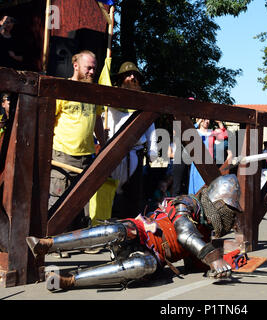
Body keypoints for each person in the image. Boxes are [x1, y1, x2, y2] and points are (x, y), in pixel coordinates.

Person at [26, 174, 242, 291]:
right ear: (217, 203)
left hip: (154, 256)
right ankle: (48, 244)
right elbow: (185, 233)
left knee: (143, 266)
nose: (230, 216)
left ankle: (69, 280)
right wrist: (213, 258)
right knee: (115, 229)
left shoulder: (205, 234)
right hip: (140, 232)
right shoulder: (188, 203)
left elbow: (197, 263)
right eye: (228, 210)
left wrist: (220, 267)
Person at [49, 51, 106, 232]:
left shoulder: (93, 92)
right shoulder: (64, 88)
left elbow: (97, 120)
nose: (91, 72)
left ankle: (78, 241)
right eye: (88, 68)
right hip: (62, 154)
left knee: (83, 203)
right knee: (58, 200)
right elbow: (49, 120)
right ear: (76, 66)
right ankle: (53, 241)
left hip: (85, 156)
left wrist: (105, 144)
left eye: (94, 69)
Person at [106, 61, 158, 216]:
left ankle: (132, 232)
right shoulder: (113, 100)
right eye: (128, 75)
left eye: (135, 75)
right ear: (122, 78)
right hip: (115, 153)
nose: (132, 77)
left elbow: (150, 128)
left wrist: (153, 149)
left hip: (135, 152)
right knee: (112, 194)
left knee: (134, 197)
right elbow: (104, 120)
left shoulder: (143, 102)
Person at [188, 119, 228, 194]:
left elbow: (224, 135)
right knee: (197, 188)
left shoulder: (211, 133)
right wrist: (198, 122)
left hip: (209, 164)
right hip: (197, 164)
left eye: (208, 119)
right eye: (204, 119)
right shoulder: (195, 132)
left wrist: (219, 122)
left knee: (207, 187)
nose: (207, 121)